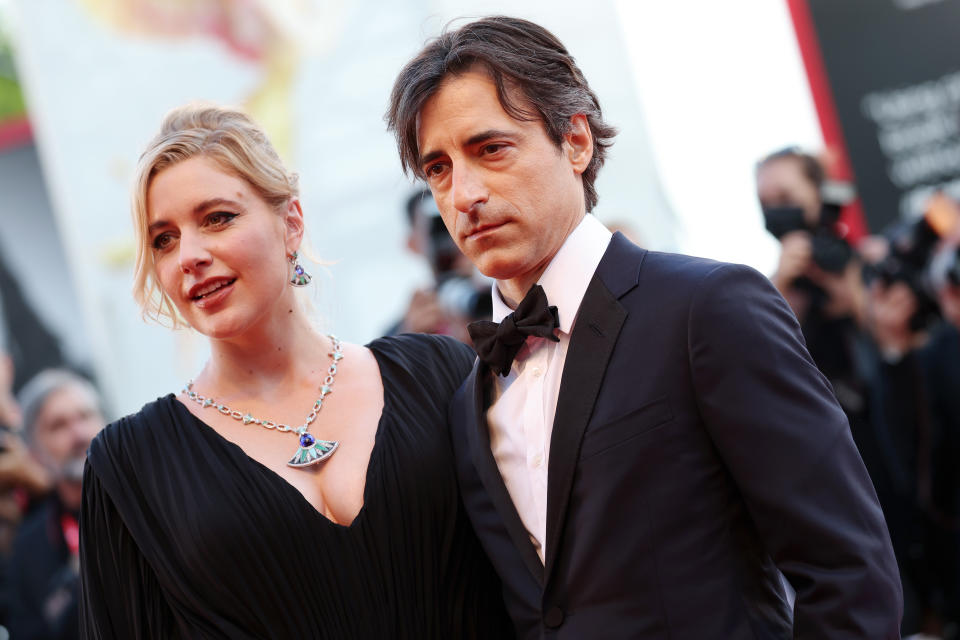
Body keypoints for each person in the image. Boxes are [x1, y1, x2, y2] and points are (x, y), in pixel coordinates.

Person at [387, 16, 902, 638]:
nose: (463, 193)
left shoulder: (708, 308)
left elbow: (849, 574)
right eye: (437, 169)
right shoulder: (467, 397)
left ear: (575, 141)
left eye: (490, 149)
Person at [78, 104, 511, 639]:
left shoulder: (439, 373)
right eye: (163, 239)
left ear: (290, 223)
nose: (188, 255)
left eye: (217, 217)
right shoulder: (130, 467)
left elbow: (540, 571)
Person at [7, 369, 102, 640]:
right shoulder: (26, 553)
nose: (79, 434)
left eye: (85, 416)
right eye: (58, 425)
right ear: (35, 452)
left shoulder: (153, 500)